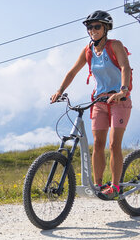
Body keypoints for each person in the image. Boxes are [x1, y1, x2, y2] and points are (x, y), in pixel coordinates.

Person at [50, 10, 133, 197]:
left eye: (97, 27)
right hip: (99, 101)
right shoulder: (88, 51)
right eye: (89, 27)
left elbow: (125, 67)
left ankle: (116, 187)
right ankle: (98, 185)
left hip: (119, 100)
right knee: (98, 144)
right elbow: (72, 72)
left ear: (106, 28)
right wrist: (59, 91)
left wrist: (123, 90)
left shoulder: (115, 45)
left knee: (114, 144)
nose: (92, 30)